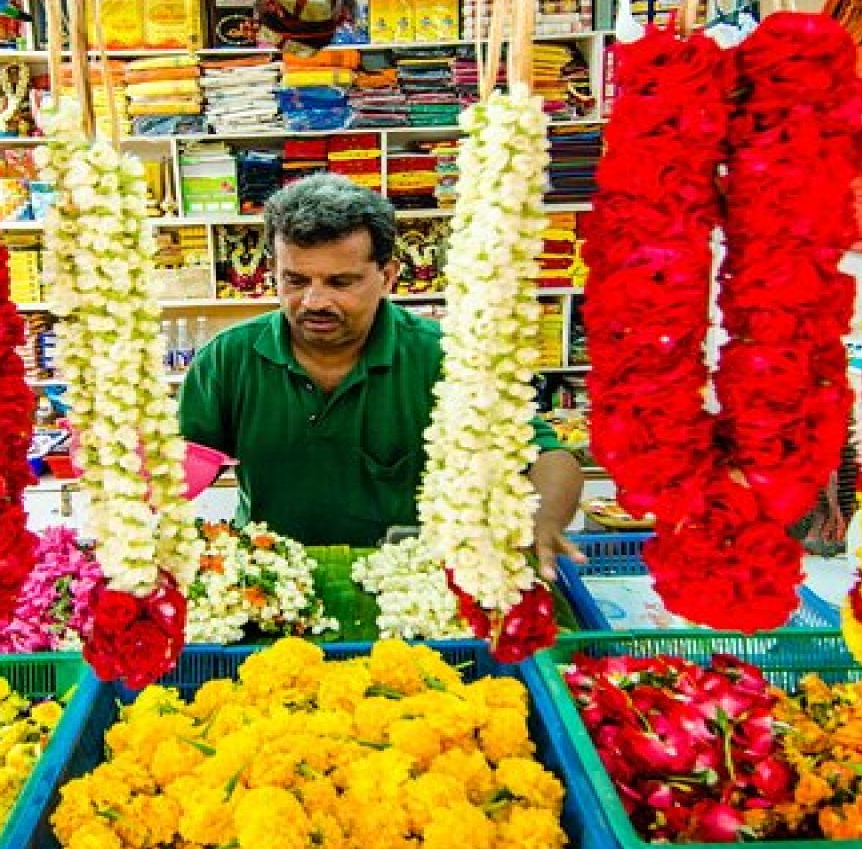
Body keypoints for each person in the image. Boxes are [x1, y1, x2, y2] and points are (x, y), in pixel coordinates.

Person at [179, 175, 587, 579]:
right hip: (269, 582)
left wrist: (544, 521)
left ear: (388, 276)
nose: (315, 301)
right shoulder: (227, 358)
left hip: (410, 585)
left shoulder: (448, 357)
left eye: (341, 282)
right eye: (296, 280)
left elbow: (548, 456)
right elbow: (181, 466)